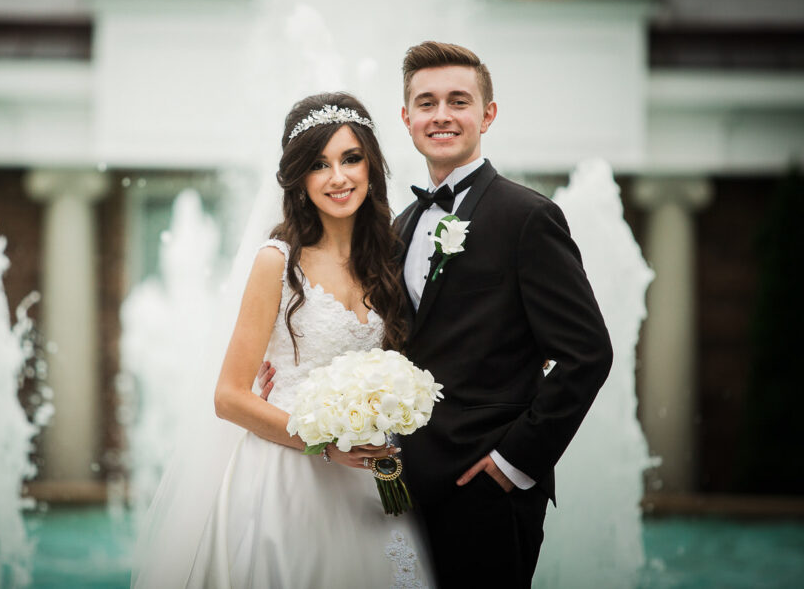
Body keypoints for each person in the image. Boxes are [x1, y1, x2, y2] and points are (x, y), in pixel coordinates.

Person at [133, 92, 434, 588]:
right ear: (299, 179)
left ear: (371, 166)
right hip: (288, 476)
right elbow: (228, 398)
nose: (338, 177)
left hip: (372, 477)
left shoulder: (389, 260)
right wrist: (325, 446)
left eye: (351, 158)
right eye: (319, 164)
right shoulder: (277, 262)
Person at [394, 40, 613, 588]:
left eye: (458, 101)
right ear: (407, 118)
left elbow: (587, 354)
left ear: (487, 114)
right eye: (426, 102)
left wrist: (514, 464)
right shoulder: (398, 225)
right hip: (404, 488)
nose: (441, 115)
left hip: (487, 490)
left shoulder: (529, 217)